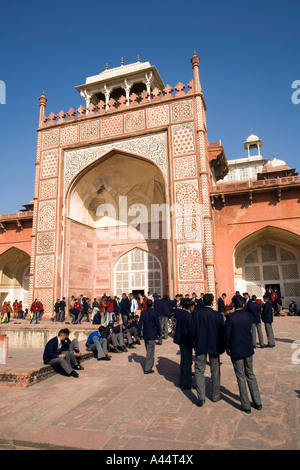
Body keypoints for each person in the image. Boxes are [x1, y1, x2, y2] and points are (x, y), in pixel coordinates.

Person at [224, 294, 262, 413]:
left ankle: (246, 405)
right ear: (244, 304)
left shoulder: (231, 317)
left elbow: (227, 335)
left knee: (240, 376)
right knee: (250, 374)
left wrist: (227, 347)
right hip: (248, 349)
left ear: (233, 305)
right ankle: (258, 402)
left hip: (236, 350)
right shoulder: (248, 316)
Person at [193, 293, 225, 407]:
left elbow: (193, 329)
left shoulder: (196, 313)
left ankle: (201, 397)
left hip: (200, 344)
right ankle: (216, 395)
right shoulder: (217, 315)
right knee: (215, 370)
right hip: (214, 345)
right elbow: (222, 332)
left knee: (199, 370)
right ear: (212, 302)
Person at [173, 298, 195, 390]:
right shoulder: (188, 316)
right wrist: (193, 340)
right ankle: (187, 383)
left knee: (183, 360)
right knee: (187, 361)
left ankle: (182, 381)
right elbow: (191, 330)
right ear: (190, 307)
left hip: (181, 340)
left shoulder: (180, 314)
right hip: (186, 340)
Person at [137, 299, 161, 374]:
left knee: (148, 349)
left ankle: (150, 363)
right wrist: (159, 332)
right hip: (152, 334)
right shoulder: (154, 313)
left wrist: (138, 334)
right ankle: (147, 368)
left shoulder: (143, 313)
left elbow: (140, 324)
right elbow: (157, 324)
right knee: (150, 351)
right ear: (152, 305)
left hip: (145, 333)